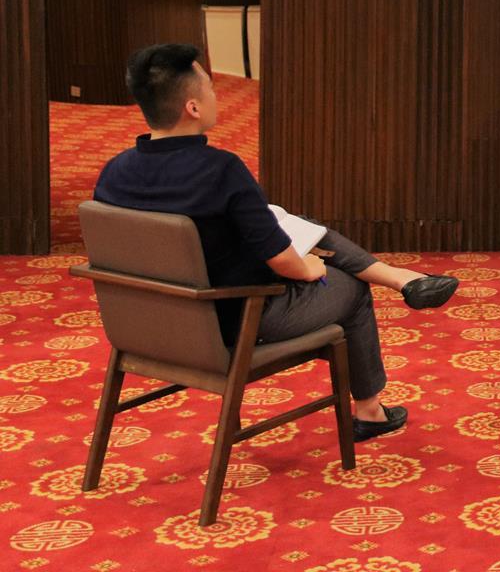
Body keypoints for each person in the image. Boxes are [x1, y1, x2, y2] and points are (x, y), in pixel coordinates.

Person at [93, 44, 460, 443]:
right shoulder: (221, 171)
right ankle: (370, 412)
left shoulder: (114, 173)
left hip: (146, 326)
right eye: (210, 88)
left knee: (300, 229)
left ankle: (402, 279)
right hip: (235, 320)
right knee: (351, 287)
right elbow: (283, 263)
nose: (216, 95)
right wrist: (309, 269)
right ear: (193, 107)